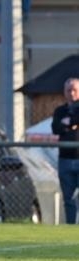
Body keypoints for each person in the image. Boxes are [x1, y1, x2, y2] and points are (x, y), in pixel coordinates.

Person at [51, 77, 79, 224]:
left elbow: (74, 121)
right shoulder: (60, 110)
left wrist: (71, 122)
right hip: (65, 159)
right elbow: (56, 128)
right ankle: (70, 225)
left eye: (74, 90)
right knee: (68, 197)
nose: (72, 93)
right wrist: (69, 124)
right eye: (69, 90)